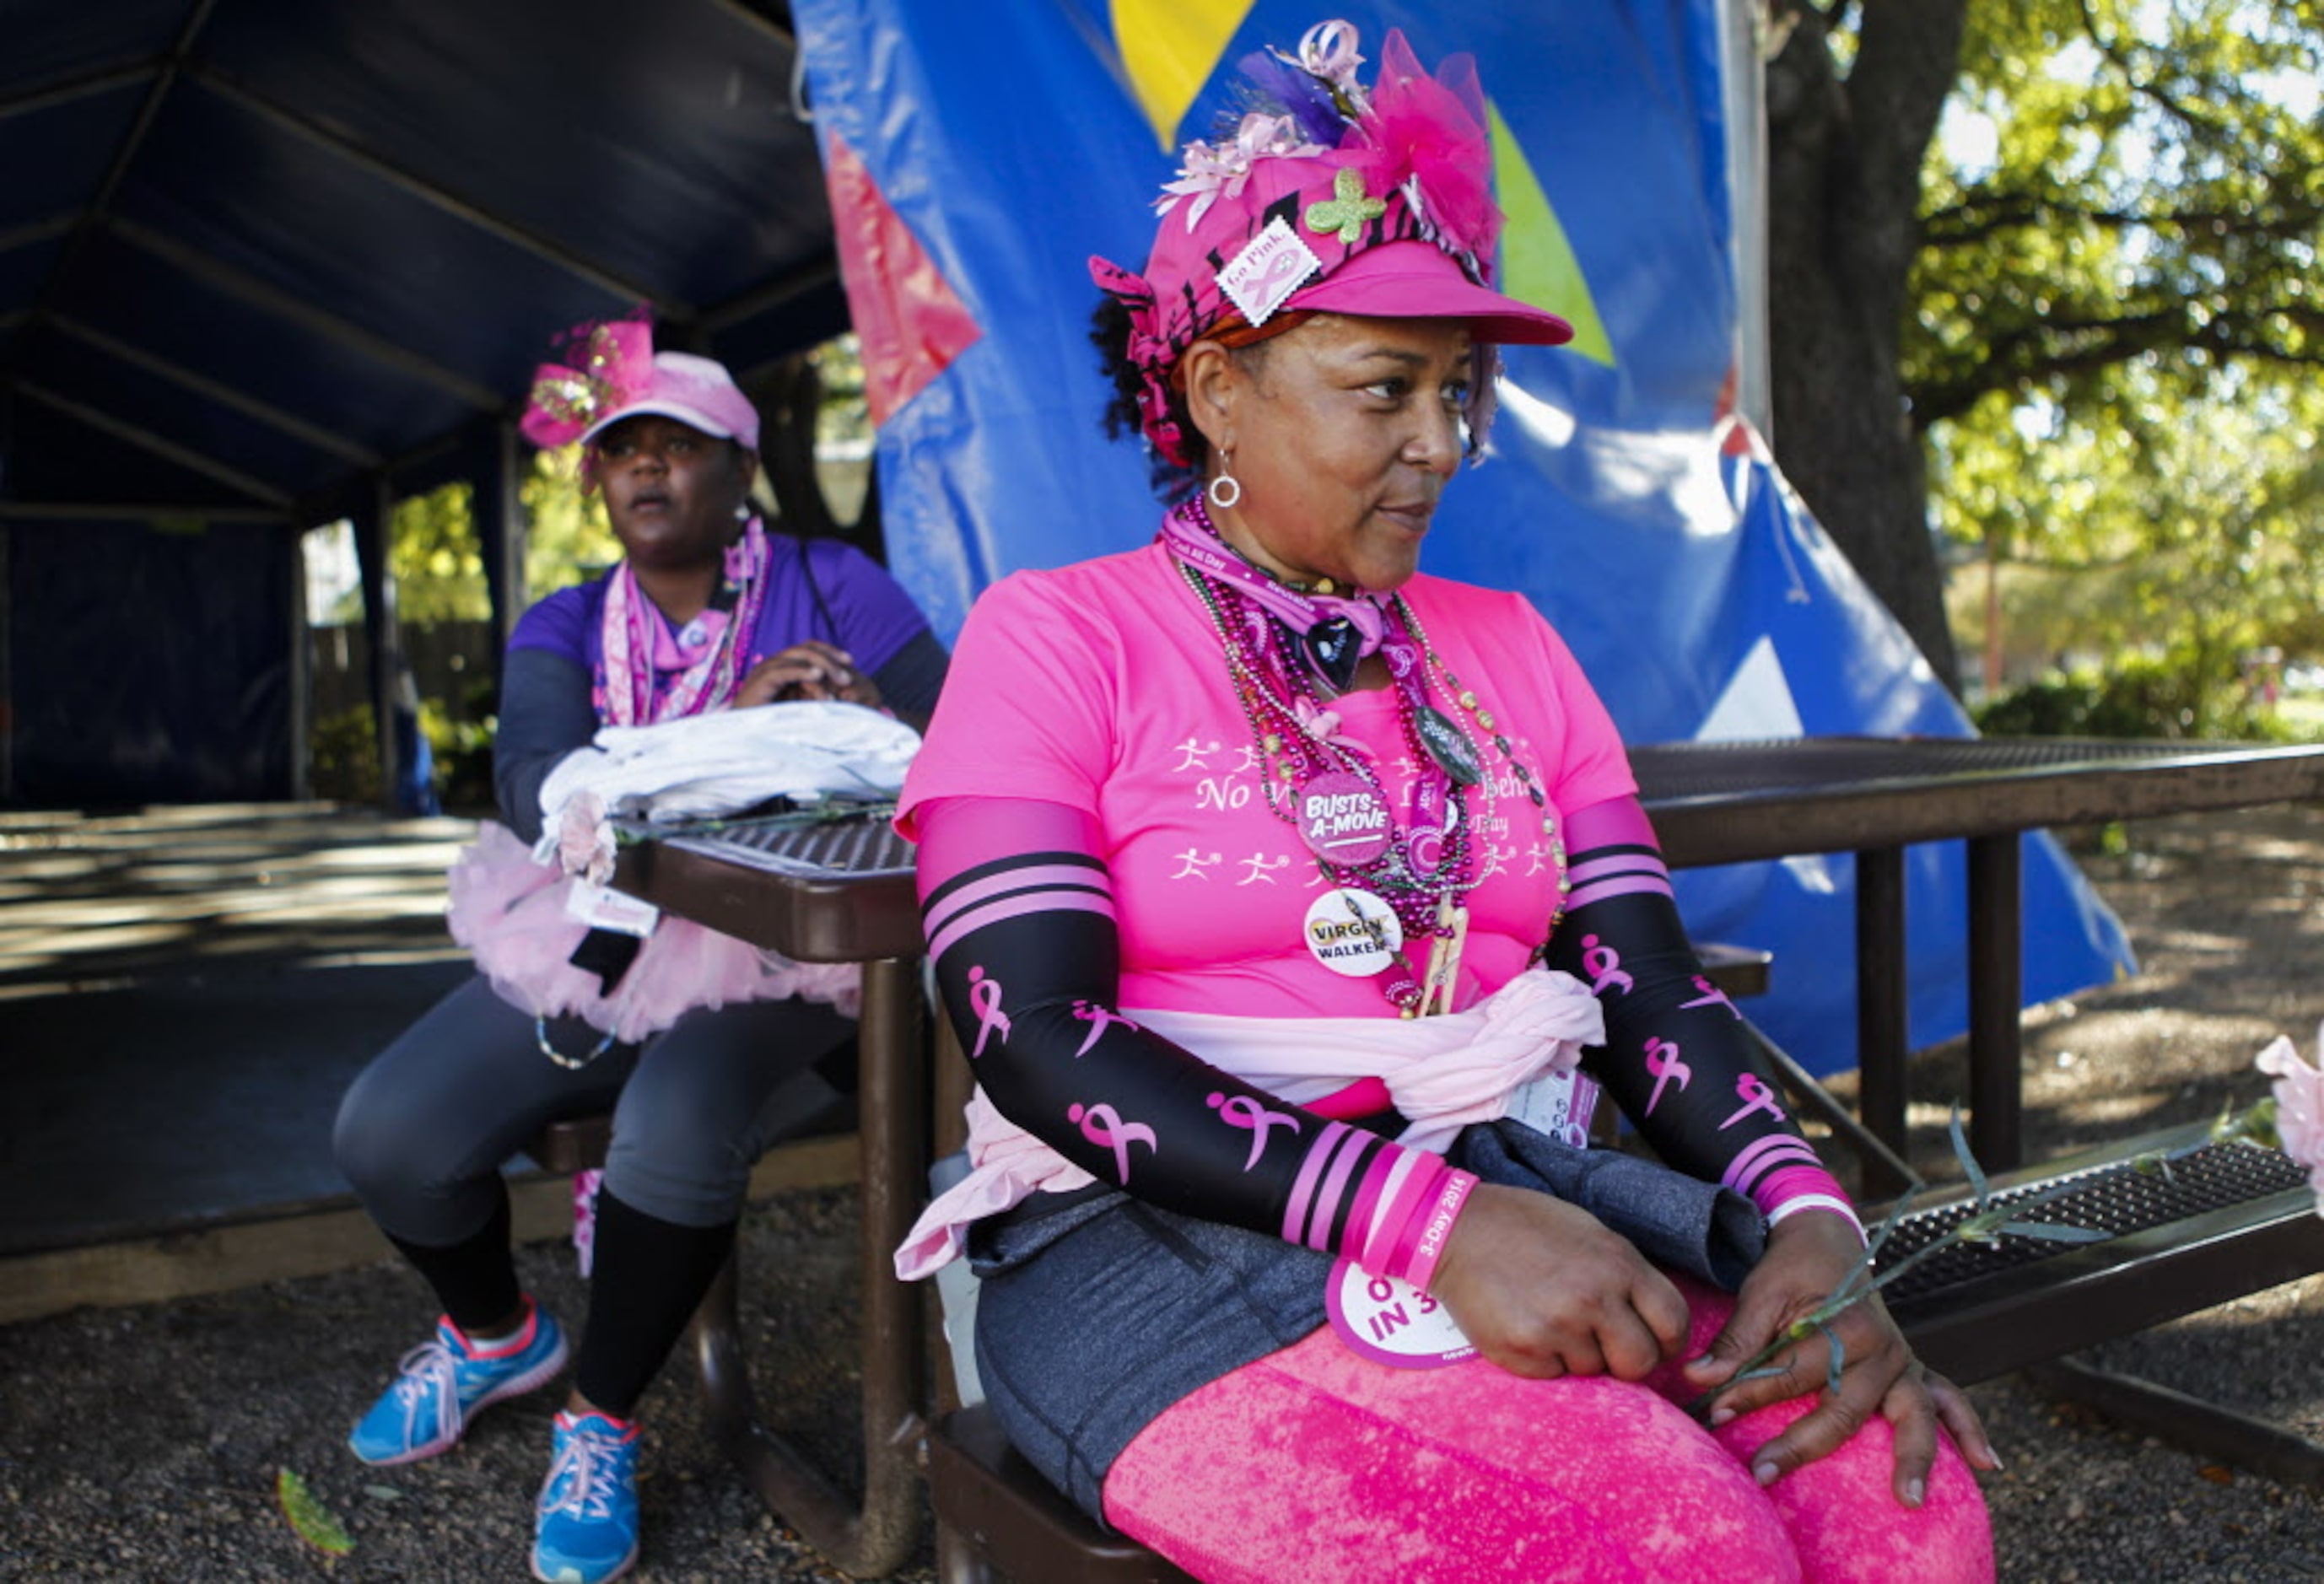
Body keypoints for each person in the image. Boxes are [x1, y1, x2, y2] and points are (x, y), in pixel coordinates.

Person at [892, 23, 1998, 1582]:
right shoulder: (1055, 637)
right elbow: (1037, 1035)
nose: (1441, 443)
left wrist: (1807, 1215)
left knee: (1909, 1517)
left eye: (1459, 392)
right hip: (1150, 1246)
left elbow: (1648, 991)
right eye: (1384, 389)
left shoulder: (1515, 651)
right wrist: (1430, 1225)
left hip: (1518, 1186)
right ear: (1218, 387)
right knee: (1675, 1546)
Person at [332, 324, 946, 1584]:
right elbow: (530, 787)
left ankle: (599, 1417)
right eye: (623, 453)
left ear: (740, 471)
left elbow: (960, 736)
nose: (648, 471)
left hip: (795, 963)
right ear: (595, 483)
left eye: (680, 447)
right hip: (596, 933)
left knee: (674, 1122)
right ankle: (496, 1331)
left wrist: (850, 716)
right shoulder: (564, 620)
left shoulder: (835, 584)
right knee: (388, 1132)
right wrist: (732, 726)